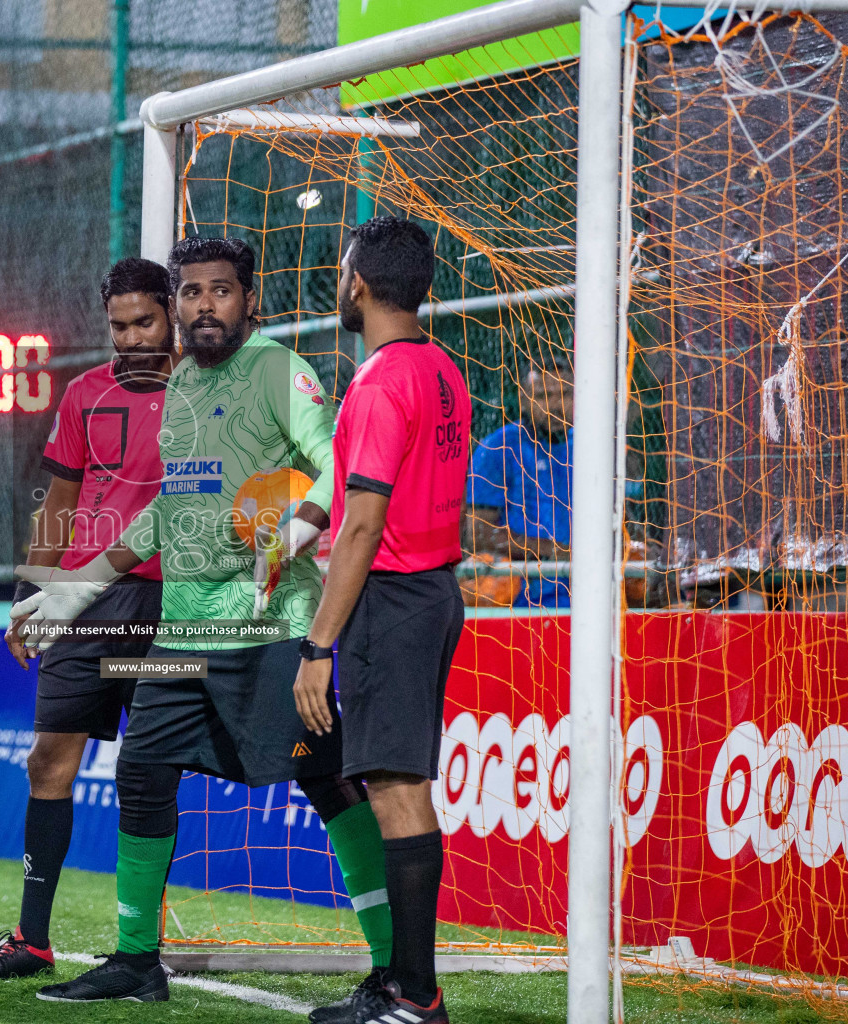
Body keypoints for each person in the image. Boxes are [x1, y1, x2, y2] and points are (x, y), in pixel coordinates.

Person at [14, 237, 392, 1004]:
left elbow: (334, 466)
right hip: (181, 634)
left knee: (327, 785)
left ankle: (392, 969)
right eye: (190, 293)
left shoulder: (282, 371)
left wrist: (299, 529)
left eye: (220, 292)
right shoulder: (181, 382)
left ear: (249, 300)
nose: (203, 306)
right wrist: (77, 587)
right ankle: (135, 961)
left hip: (270, 627)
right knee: (141, 773)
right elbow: (169, 510)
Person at [0, 258, 176, 982]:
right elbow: (57, 505)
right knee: (48, 760)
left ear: (171, 314)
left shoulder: (209, 393)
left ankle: (138, 949)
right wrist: (31, 598)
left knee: (147, 775)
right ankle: (32, 940)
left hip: (167, 602)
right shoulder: (86, 393)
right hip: (84, 605)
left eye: (144, 321)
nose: (130, 337)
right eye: (118, 326)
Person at [294, 218, 470, 1024]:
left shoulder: (375, 382)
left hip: (392, 600)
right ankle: (398, 981)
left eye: (340, 270)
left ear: (356, 282)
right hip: (434, 592)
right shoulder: (445, 372)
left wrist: (317, 645)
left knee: (398, 791)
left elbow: (361, 527)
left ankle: (415, 995)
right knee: (387, 782)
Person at [464, 353, 573, 608]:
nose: (555, 405)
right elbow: (478, 534)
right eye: (543, 395)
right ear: (523, 400)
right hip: (520, 600)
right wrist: (557, 552)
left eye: (564, 394)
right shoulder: (498, 448)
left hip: (586, 593)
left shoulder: (587, 445)